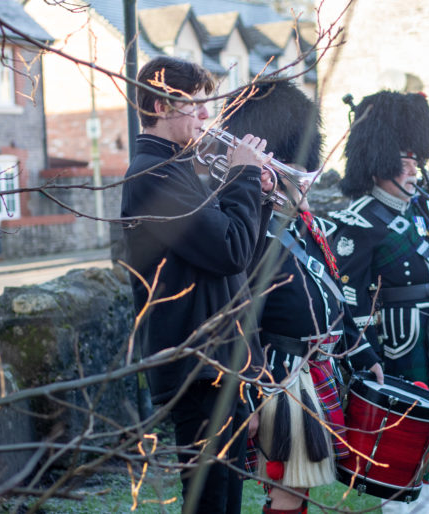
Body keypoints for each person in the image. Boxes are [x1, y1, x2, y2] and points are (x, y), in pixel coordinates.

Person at [120, 56, 273, 514]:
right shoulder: (152, 175)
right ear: (161, 106)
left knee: (225, 499)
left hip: (219, 361)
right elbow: (228, 249)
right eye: (199, 106)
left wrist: (259, 194)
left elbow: (237, 258)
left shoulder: (178, 169)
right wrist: (242, 174)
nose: (208, 116)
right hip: (196, 364)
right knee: (209, 502)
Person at [224, 80, 384, 514]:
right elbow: (239, 318)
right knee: (286, 489)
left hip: (314, 369)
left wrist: (361, 351)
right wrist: (248, 394)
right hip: (278, 374)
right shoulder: (249, 225)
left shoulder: (300, 223)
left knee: (300, 487)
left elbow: (331, 293)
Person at [330, 90, 429, 513]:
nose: (415, 170)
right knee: (401, 439)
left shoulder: (415, 214)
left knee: (426, 437)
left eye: (417, 159)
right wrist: (364, 354)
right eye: (405, 160)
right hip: (395, 346)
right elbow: (348, 298)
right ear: (378, 162)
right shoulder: (357, 221)